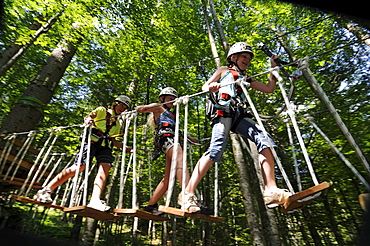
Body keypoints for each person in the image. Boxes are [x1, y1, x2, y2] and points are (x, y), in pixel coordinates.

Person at [179, 42, 292, 213]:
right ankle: (187, 194)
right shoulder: (224, 70)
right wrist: (211, 87)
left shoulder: (246, 78)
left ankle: (271, 190)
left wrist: (272, 71)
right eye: (244, 56)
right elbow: (205, 86)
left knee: (264, 138)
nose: (247, 60)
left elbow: (269, 89)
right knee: (216, 149)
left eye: (248, 58)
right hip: (223, 111)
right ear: (234, 57)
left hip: (239, 115)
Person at [34, 95, 132, 211]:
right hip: (91, 141)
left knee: (105, 167)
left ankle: (95, 200)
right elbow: (89, 116)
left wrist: (125, 147)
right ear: (116, 103)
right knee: (79, 166)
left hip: (105, 146)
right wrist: (88, 120)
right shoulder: (102, 111)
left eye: (125, 108)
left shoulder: (117, 124)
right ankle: (46, 190)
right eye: (121, 105)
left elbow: (113, 140)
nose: (122, 109)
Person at [135, 87, 201, 214]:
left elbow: (177, 131)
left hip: (170, 139)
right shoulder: (158, 107)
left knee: (168, 178)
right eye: (170, 98)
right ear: (162, 98)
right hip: (166, 139)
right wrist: (143, 108)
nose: (173, 101)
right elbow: (142, 108)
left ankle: (151, 205)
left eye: (174, 99)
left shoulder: (172, 116)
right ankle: (187, 196)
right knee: (181, 159)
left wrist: (191, 139)